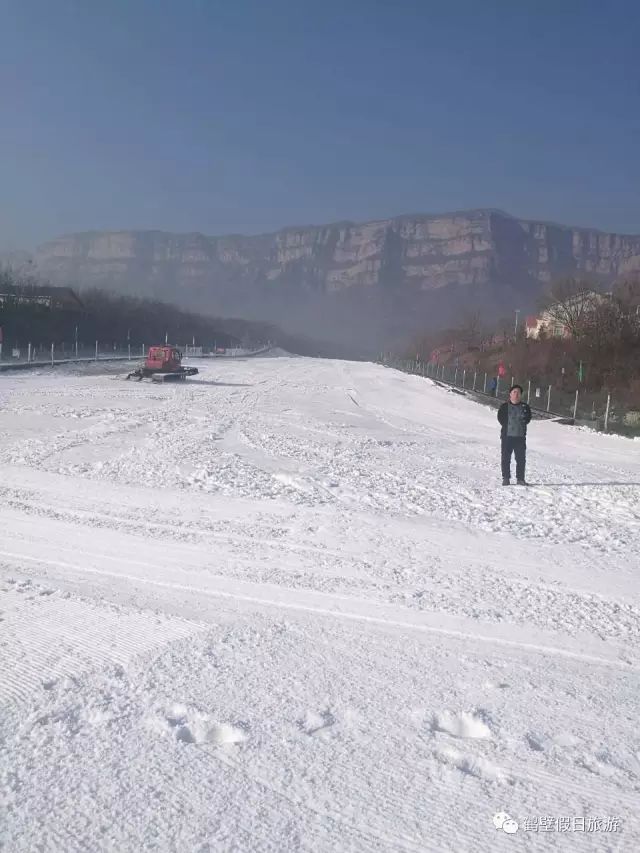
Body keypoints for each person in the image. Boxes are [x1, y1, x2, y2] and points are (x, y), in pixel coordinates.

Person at [497, 384, 532, 485]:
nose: (516, 395)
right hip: (507, 436)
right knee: (505, 458)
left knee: (521, 459)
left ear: (521, 395)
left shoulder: (525, 407)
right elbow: (500, 418)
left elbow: (528, 418)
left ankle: (520, 479)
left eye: (518, 393)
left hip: (520, 437)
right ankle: (506, 478)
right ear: (510, 394)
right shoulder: (504, 407)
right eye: (514, 392)